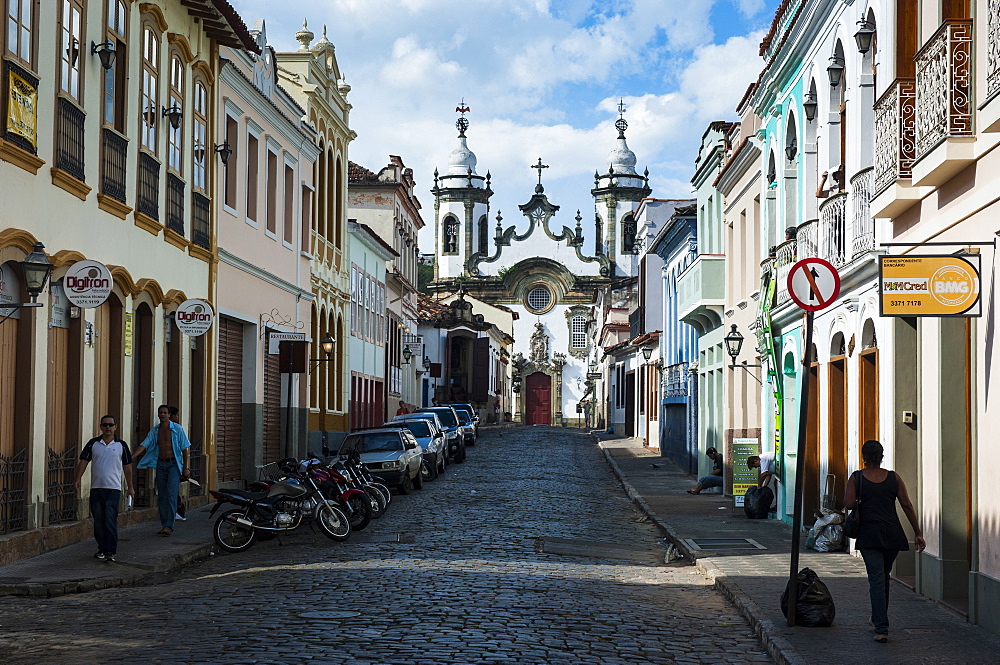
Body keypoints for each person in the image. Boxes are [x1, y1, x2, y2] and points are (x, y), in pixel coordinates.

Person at [844, 439, 925, 643]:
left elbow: (848, 503)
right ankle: (879, 620)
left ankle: (881, 627)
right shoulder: (893, 478)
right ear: (881, 456)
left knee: (877, 580)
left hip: (869, 535)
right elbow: (906, 505)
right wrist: (918, 532)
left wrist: (862, 499)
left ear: (863, 457)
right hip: (892, 534)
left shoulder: (856, 478)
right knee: (883, 577)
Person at [74, 416, 134, 562]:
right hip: (96, 488)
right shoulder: (93, 443)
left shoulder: (121, 445)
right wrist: (77, 479)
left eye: (110, 425)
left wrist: (130, 487)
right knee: (99, 520)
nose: (108, 427)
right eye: (105, 425)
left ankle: (110, 550)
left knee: (110, 519)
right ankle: (101, 547)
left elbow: (127, 467)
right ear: (101, 427)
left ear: (115, 427)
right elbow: (84, 461)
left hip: (113, 489)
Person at [133, 404, 192, 536]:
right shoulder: (155, 431)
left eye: (165, 413)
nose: (162, 415)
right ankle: (165, 523)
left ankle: (168, 525)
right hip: (161, 465)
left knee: (171, 495)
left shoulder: (177, 429)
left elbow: (185, 449)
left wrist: (185, 468)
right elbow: (145, 444)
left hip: (173, 466)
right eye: (160, 413)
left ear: (169, 415)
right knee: (162, 496)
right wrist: (132, 457)